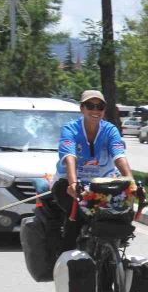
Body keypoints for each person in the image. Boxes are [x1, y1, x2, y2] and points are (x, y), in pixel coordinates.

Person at [52, 90, 134, 250]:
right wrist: (73, 183)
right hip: (69, 182)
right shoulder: (70, 129)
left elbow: (119, 155)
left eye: (100, 107)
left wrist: (130, 181)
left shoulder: (110, 130)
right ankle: (68, 258)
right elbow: (70, 156)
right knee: (75, 215)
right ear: (82, 108)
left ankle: (114, 251)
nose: (95, 111)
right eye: (90, 106)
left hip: (102, 184)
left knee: (122, 210)